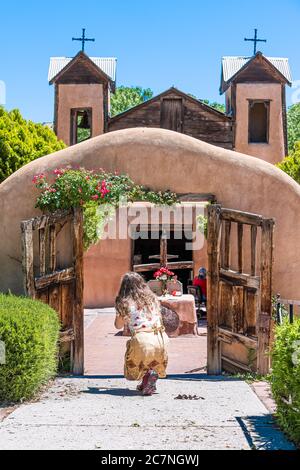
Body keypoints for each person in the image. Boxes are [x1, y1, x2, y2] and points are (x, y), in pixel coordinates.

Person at [115, 272, 169, 396]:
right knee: (150, 360)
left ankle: (148, 376)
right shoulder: (153, 298)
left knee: (133, 361)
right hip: (161, 338)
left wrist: (122, 314)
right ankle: (147, 381)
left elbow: (118, 325)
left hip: (142, 339)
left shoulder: (124, 302)